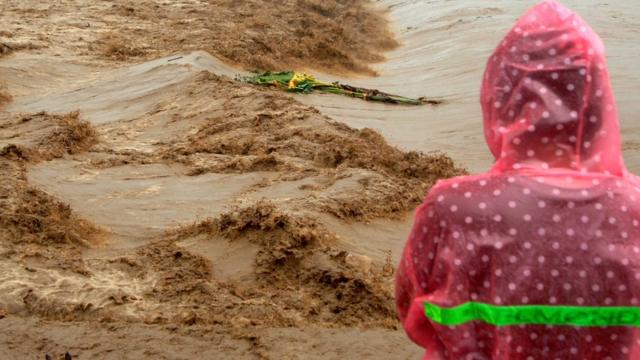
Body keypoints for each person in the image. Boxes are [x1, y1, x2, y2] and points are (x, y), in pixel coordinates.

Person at [395, 0, 640, 359]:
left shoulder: (451, 208)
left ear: (500, 95)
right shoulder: (634, 209)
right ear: (597, 99)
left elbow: (410, 308)